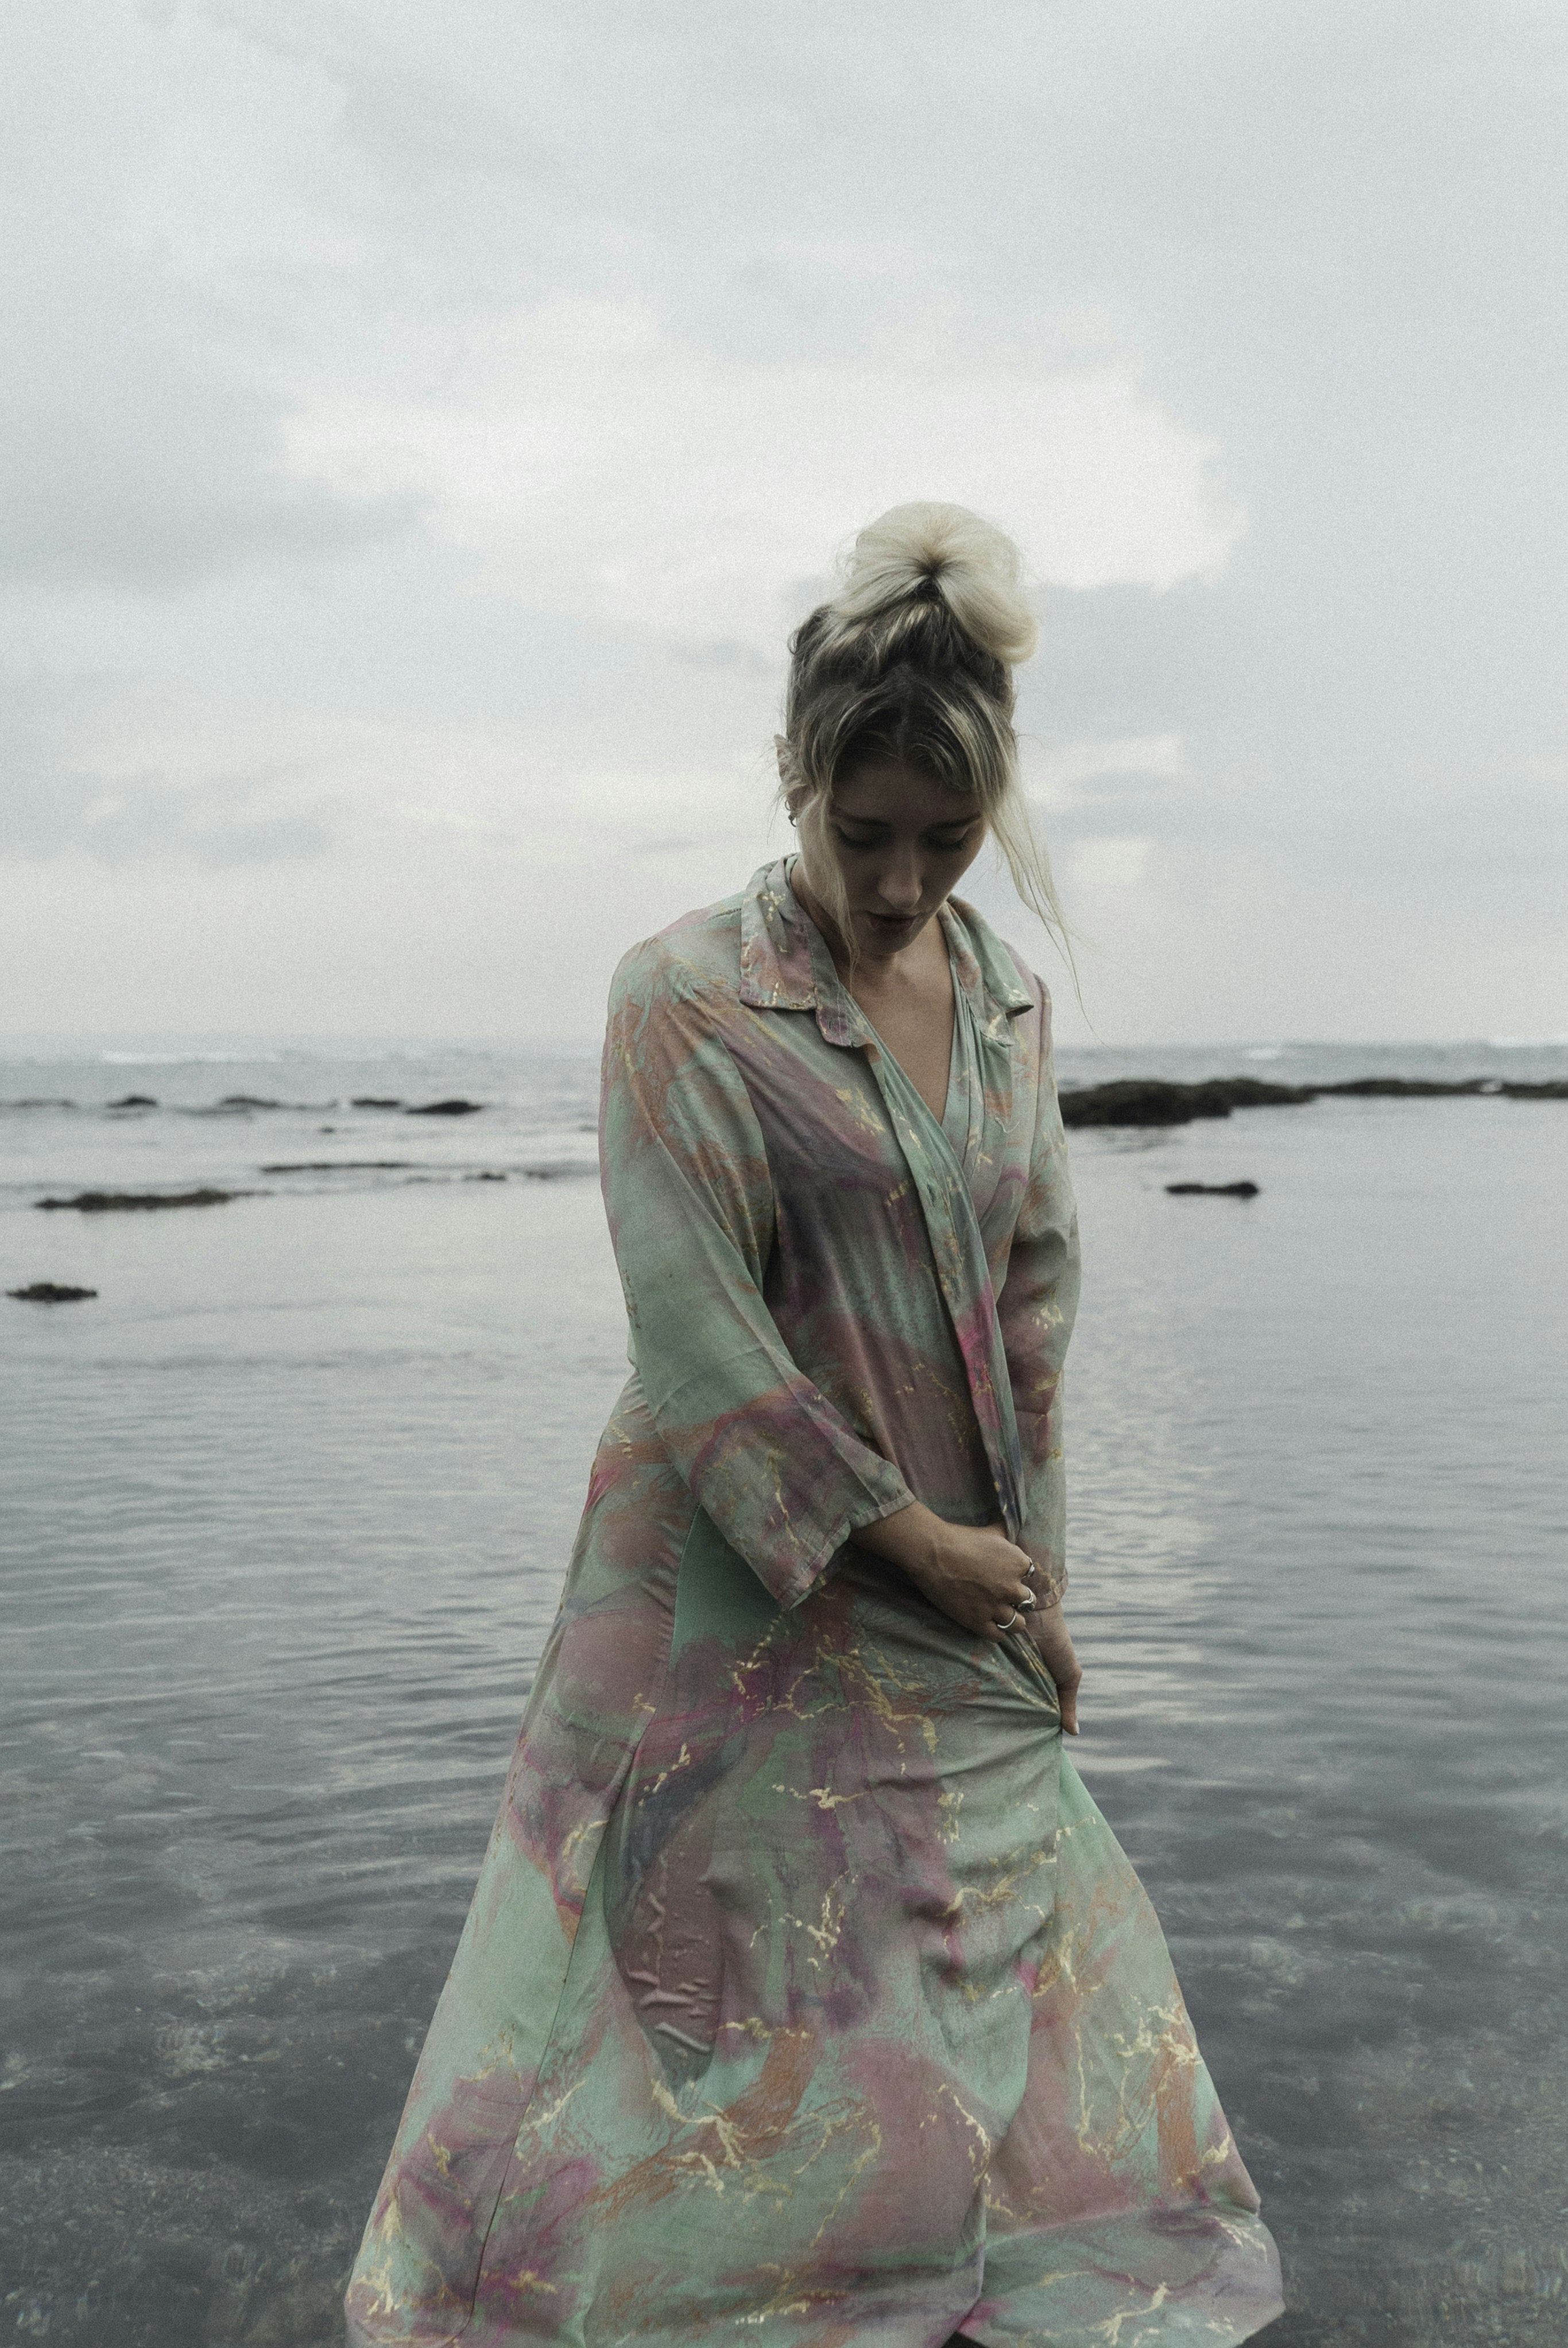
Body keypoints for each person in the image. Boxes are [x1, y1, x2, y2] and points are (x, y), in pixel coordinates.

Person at [346, 503, 1283, 2346]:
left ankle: (911, 2267)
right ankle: (617, 2295)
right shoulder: (682, 995)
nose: (898, 880)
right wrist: (910, 1543)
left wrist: (1040, 1587)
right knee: (679, 1969)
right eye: (861, 834)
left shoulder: (1007, 999)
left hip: (945, 1566)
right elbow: (688, 1332)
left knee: (977, 1923)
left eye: (943, 839)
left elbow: (1030, 1323)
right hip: (724, 1563)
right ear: (791, 774)